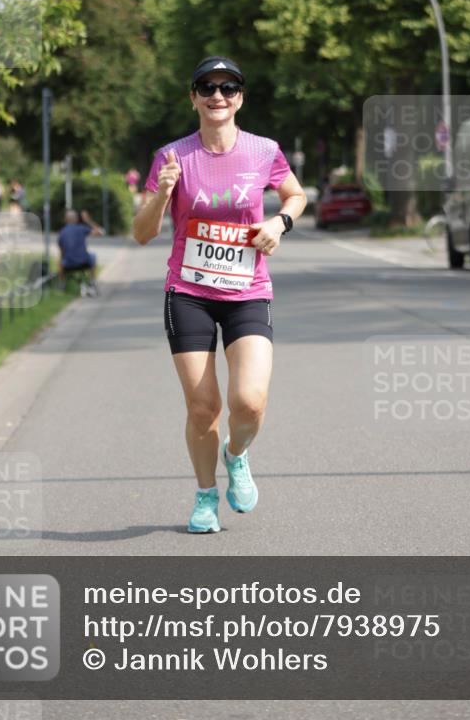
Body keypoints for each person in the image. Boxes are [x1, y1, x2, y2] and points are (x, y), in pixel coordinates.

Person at [133, 57, 307, 534]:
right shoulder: (172, 157)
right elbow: (143, 234)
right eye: (206, 87)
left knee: (249, 402)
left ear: (240, 98)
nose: (218, 96)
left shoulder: (263, 150)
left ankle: (237, 455)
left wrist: (279, 222)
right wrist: (160, 196)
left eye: (228, 88)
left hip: (247, 290)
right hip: (188, 291)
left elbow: (296, 195)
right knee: (203, 407)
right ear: (193, 98)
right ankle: (206, 496)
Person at [57, 209, 104, 295]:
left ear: (65, 219)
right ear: (76, 219)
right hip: (84, 262)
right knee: (93, 256)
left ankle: (62, 285)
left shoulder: (62, 233)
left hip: (68, 264)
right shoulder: (82, 228)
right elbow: (101, 232)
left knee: (60, 260)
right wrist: (88, 220)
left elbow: (62, 253)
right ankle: (92, 282)